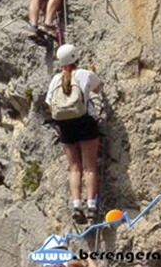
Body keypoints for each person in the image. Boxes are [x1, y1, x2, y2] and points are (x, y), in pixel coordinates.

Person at [46, 44, 103, 224]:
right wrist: (92, 72)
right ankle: (92, 206)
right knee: (90, 167)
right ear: (76, 57)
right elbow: (98, 89)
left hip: (65, 126)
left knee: (74, 167)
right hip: (84, 123)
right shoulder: (85, 74)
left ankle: (77, 205)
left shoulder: (55, 79)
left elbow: (49, 103)